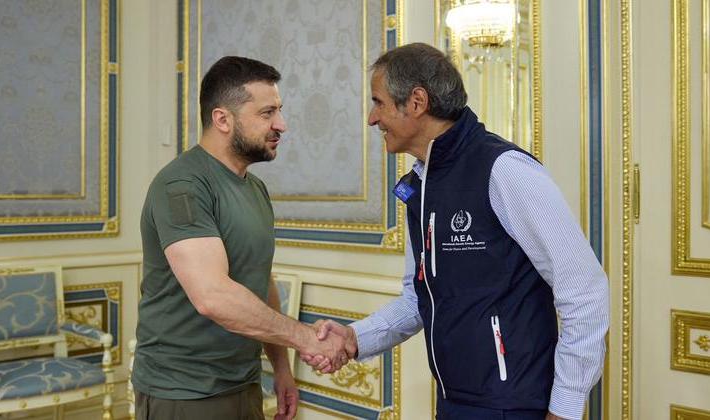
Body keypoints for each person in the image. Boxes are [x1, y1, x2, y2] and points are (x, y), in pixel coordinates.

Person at [303, 43, 610, 420]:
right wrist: (355, 338)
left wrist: (565, 407)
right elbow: (418, 298)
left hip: (511, 406)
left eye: (378, 102)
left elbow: (584, 289)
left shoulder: (504, 169)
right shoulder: (420, 184)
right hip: (454, 401)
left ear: (416, 102)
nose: (372, 118)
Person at [133, 56, 348, 420]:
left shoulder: (255, 188)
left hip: (243, 383)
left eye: (279, 111)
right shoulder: (182, 185)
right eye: (267, 113)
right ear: (222, 119)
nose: (281, 124)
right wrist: (306, 338)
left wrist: (281, 368)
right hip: (184, 392)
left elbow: (260, 279)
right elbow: (213, 296)